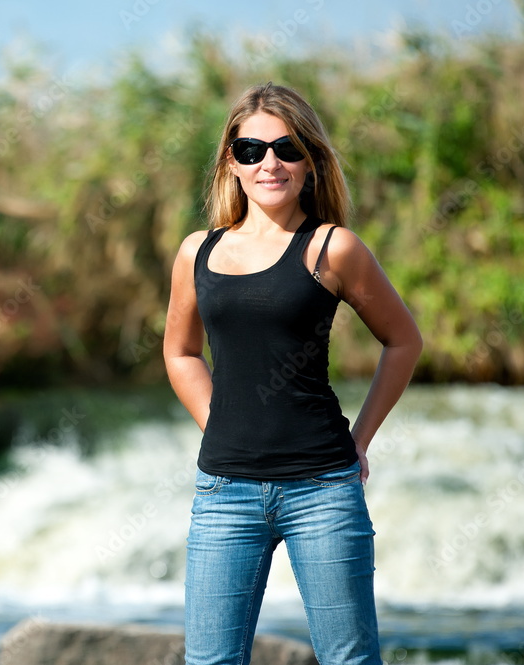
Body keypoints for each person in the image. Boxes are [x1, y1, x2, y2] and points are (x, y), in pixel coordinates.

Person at [162, 82, 423, 665]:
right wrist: (217, 422)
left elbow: (404, 340)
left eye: (286, 149)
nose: (270, 163)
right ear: (231, 163)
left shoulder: (334, 248)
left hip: (323, 489)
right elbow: (180, 352)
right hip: (224, 493)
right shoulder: (196, 252)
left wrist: (359, 440)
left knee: (348, 660)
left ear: (311, 161)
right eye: (251, 150)